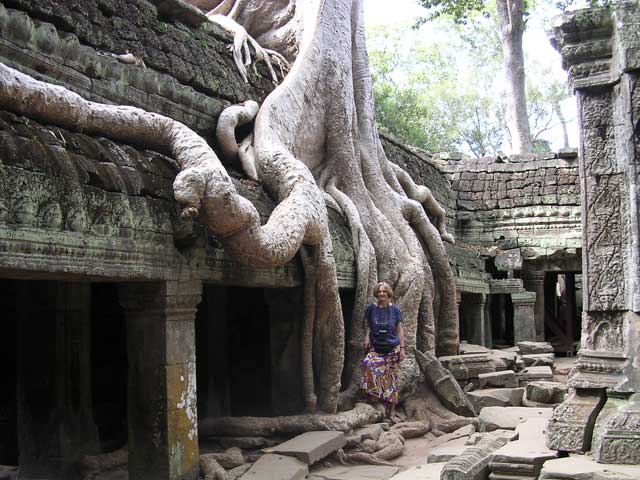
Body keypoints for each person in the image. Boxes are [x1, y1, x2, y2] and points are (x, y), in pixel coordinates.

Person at [361, 281, 406, 423]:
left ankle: (392, 411)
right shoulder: (371, 309)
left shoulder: (395, 310)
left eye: (384, 292)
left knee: (392, 379)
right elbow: (368, 325)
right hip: (377, 348)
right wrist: (367, 337)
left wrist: (402, 348)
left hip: (392, 348)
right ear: (376, 293)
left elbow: (399, 330)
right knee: (367, 363)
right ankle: (374, 396)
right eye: (379, 292)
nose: (381, 294)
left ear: (388, 294)